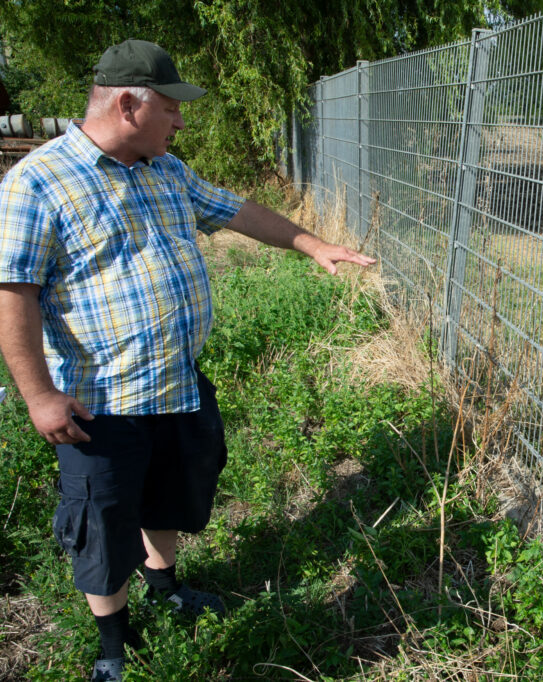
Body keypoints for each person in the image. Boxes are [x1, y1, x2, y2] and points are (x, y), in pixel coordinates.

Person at [0, 39, 375, 681]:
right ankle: (112, 645)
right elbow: (15, 295)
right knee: (103, 522)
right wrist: (39, 396)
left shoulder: (165, 170)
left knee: (169, 498)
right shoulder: (37, 183)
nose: (180, 121)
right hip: (101, 401)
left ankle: (165, 585)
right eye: (172, 109)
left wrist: (313, 244)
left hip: (176, 384)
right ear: (128, 104)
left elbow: (237, 211)